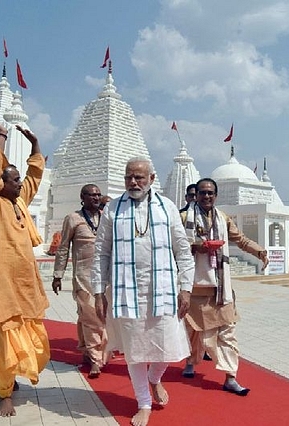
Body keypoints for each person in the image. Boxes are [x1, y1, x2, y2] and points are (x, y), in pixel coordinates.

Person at [92, 157, 194, 426]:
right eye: (129, 177)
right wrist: (97, 291)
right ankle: (143, 403)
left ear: (151, 178)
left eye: (139, 177)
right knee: (135, 351)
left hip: (163, 290)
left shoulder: (167, 207)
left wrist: (186, 289)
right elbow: (101, 252)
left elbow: (183, 251)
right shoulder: (113, 209)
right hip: (127, 292)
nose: (133, 182)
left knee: (169, 348)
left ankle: (154, 379)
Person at [0, 114, 50, 417]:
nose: (19, 184)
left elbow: (34, 177)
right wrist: (1, 136)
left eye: (18, 180)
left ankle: (13, 376)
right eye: (13, 180)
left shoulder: (19, 201)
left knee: (33, 336)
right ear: (0, 184)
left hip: (23, 286)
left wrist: (35, 145)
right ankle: (3, 393)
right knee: (1, 339)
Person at [180, 178, 269, 396]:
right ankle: (191, 361)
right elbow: (175, 246)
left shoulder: (223, 218)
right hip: (195, 288)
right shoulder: (183, 218)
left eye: (210, 193)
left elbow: (240, 239)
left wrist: (259, 251)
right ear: (195, 195)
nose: (206, 196)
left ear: (216, 196)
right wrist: (197, 246)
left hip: (221, 290)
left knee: (228, 334)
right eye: (202, 193)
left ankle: (230, 377)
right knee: (192, 332)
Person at [52, 184, 107, 378]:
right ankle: (95, 359)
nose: (96, 198)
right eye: (92, 195)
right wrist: (58, 275)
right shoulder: (73, 218)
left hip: (104, 276)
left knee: (94, 316)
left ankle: (87, 351)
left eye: (98, 195)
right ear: (82, 197)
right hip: (82, 276)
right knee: (92, 316)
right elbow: (63, 248)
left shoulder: (105, 217)